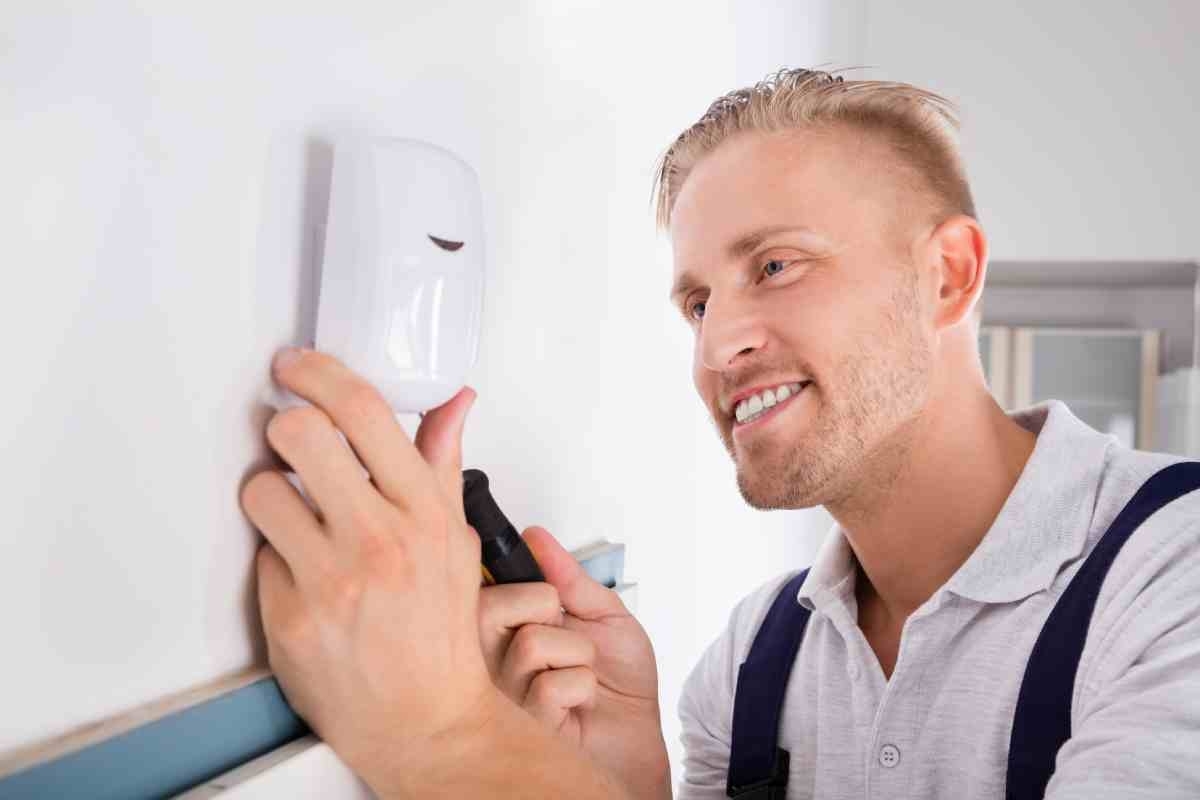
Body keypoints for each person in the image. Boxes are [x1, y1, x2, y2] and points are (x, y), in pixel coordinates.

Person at [239, 68, 1200, 799]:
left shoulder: (1175, 579)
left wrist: (438, 734)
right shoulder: (748, 671)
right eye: (698, 301)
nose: (720, 342)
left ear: (947, 274)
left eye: (776, 266)